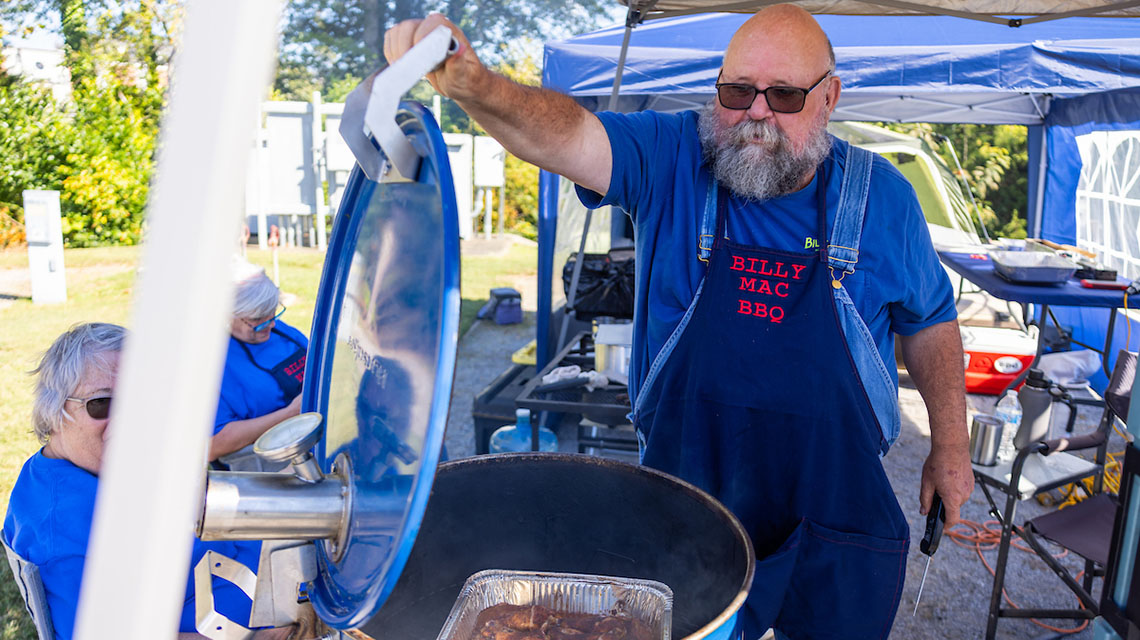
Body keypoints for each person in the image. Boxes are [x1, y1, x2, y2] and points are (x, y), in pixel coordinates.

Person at [385, 5, 973, 638]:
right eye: (737, 90)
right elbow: (569, 137)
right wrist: (479, 87)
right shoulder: (670, 158)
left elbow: (931, 322)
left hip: (829, 511)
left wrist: (951, 444)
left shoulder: (883, 198)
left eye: (783, 95)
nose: (756, 113)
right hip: (685, 504)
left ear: (828, 97)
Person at [1, 323, 291, 639]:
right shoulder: (62, 535)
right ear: (54, 410)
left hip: (263, 572)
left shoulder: (91, 464)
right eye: (103, 403)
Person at [211, 260, 308, 469]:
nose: (271, 325)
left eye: (273, 314)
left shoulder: (277, 330)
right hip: (271, 469)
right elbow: (213, 445)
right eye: (258, 319)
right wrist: (291, 413)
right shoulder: (212, 363)